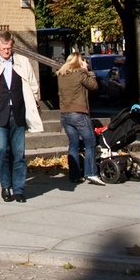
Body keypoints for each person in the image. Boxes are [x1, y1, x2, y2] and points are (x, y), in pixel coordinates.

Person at [0, 31, 43, 202]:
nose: (6, 51)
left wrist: (34, 104)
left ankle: (19, 189)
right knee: (1, 150)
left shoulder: (22, 62)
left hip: (18, 113)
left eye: (9, 48)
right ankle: (6, 185)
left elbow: (33, 86)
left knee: (18, 153)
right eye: (3, 48)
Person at [56, 51, 105, 186]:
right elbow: (94, 86)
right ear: (79, 62)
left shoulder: (61, 75)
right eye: (84, 61)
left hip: (65, 114)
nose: (86, 63)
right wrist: (89, 72)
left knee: (73, 144)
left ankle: (74, 175)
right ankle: (91, 173)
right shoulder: (80, 74)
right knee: (90, 143)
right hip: (79, 113)